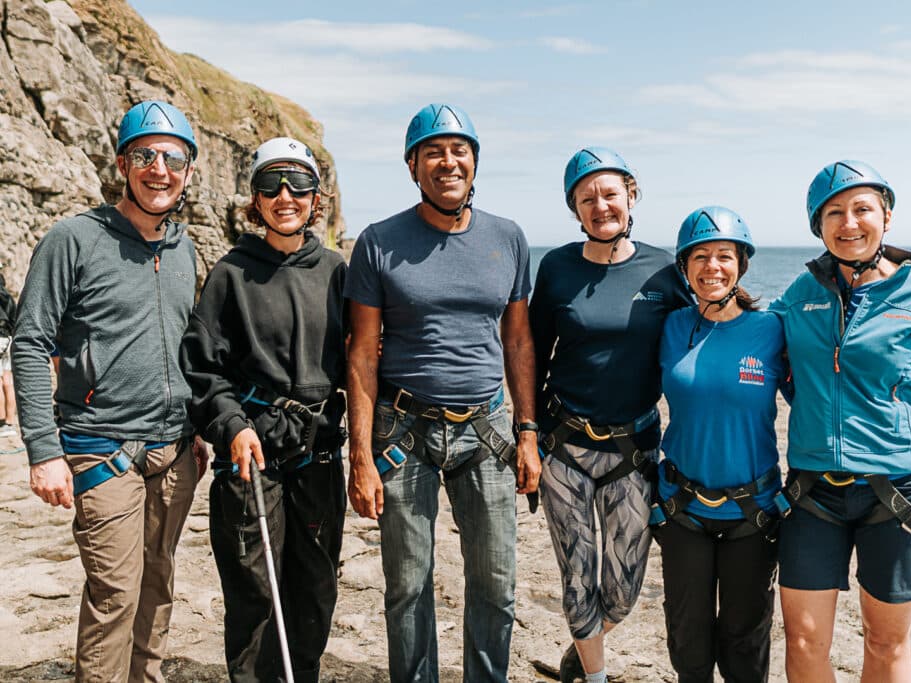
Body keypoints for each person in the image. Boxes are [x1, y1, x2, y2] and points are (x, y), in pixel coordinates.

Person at [12, 100, 208, 682]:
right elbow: (29, 344)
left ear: (189, 171)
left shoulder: (183, 248)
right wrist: (44, 453)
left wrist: (197, 427)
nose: (159, 169)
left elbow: (185, 347)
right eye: (144, 155)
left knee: (158, 587)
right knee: (115, 596)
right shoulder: (72, 239)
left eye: (173, 158)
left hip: (175, 451)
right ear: (123, 164)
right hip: (101, 449)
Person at [345, 103, 541, 683]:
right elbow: (360, 354)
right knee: (407, 587)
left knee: (497, 585)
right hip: (404, 430)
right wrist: (360, 456)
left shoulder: (508, 238)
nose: (448, 161)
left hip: (487, 429)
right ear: (412, 165)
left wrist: (528, 432)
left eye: (460, 150)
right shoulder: (379, 242)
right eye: (433, 151)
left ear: (475, 162)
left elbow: (520, 342)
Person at [771, 160, 911, 682]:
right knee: (801, 640)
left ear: (886, 217)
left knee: (886, 642)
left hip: (901, 495)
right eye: (834, 213)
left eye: (862, 209)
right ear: (818, 226)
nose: (849, 224)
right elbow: (759, 349)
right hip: (812, 492)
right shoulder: (799, 297)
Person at [180, 136, 348, 682]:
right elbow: (202, 368)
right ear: (254, 200)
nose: (285, 195)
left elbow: (362, 362)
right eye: (270, 185)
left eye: (298, 184)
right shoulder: (230, 275)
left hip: (319, 457)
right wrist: (231, 425)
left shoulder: (337, 272)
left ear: (315, 197)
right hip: (250, 455)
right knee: (255, 592)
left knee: (316, 589)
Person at [528, 147, 688, 683]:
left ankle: (583, 645)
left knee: (622, 590)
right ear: (575, 209)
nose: (601, 206)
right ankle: (594, 677)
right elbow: (531, 355)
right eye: (587, 198)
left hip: (634, 449)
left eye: (610, 194)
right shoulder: (555, 268)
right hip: (564, 447)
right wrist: (526, 434)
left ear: (632, 195)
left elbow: (704, 332)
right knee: (577, 576)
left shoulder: (666, 269)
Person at [655, 206, 785, 683]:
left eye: (724, 256)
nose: (713, 266)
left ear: (741, 264)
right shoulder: (669, 327)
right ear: (685, 267)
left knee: (745, 643)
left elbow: (816, 400)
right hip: (682, 510)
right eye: (701, 256)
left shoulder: (771, 329)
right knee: (687, 641)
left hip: (753, 513)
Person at [0, 263, 17, 437]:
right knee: (7, 380)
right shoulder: (6, 295)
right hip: (8, 338)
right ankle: (9, 422)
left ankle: (0, 421)